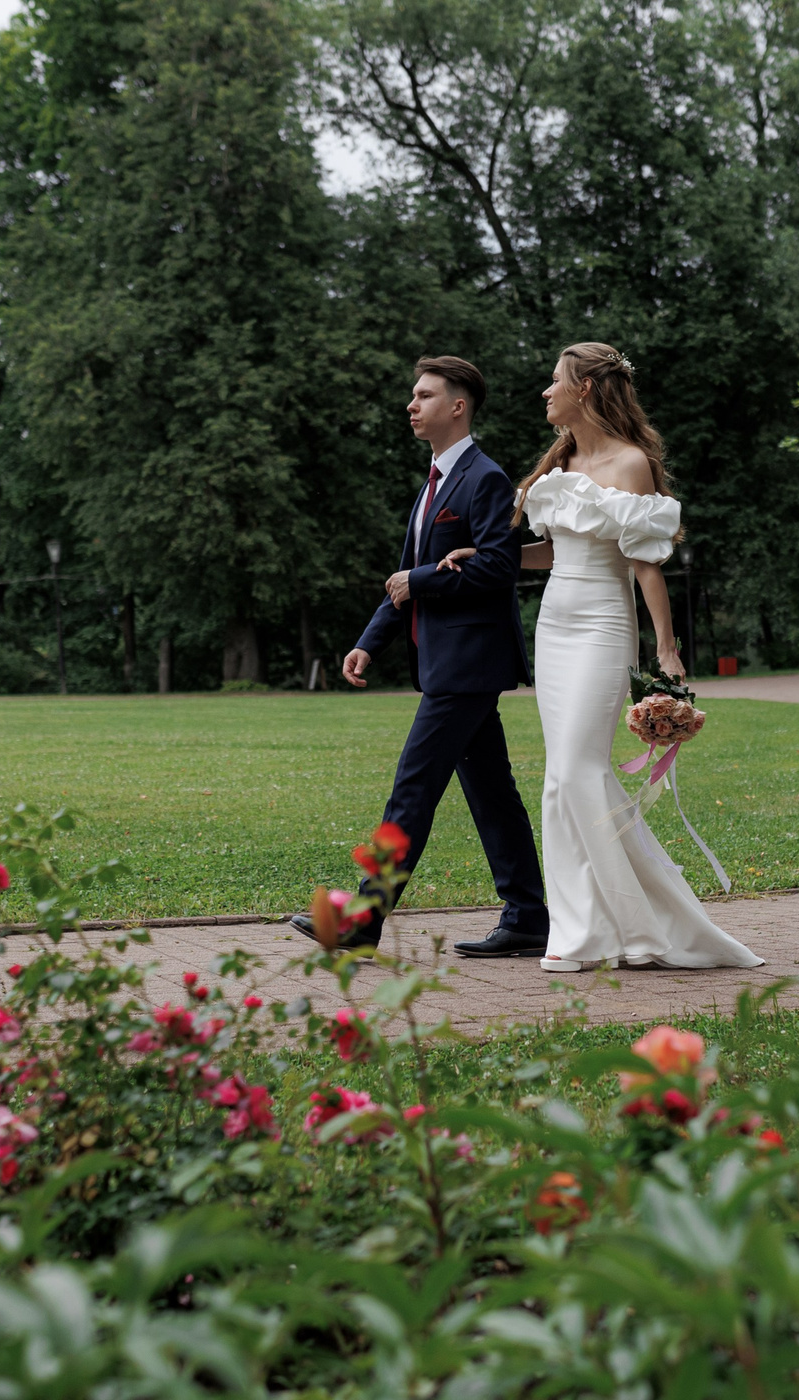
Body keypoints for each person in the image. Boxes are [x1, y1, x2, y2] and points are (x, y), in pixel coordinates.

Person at [501, 342, 761, 973]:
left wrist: (667, 649)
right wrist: (485, 561)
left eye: (554, 381)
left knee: (579, 768)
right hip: (555, 627)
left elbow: (644, 564)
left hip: (601, 626)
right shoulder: (558, 464)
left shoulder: (631, 464)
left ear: (585, 388)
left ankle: (638, 930)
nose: (545, 391)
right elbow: (552, 555)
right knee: (561, 776)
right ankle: (585, 928)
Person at [288, 357, 549, 956]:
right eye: (413, 395)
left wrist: (424, 578)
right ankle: (529, 916)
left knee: (412, 790)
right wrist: (367, 642)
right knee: (491, 792)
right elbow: (404, 581)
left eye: (424, 395)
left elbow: (499, 566)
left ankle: (361, 918)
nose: (412, 404)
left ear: (457, 407)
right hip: (449, 664)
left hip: (467, 664)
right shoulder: (432, 485)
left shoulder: (483, 478)